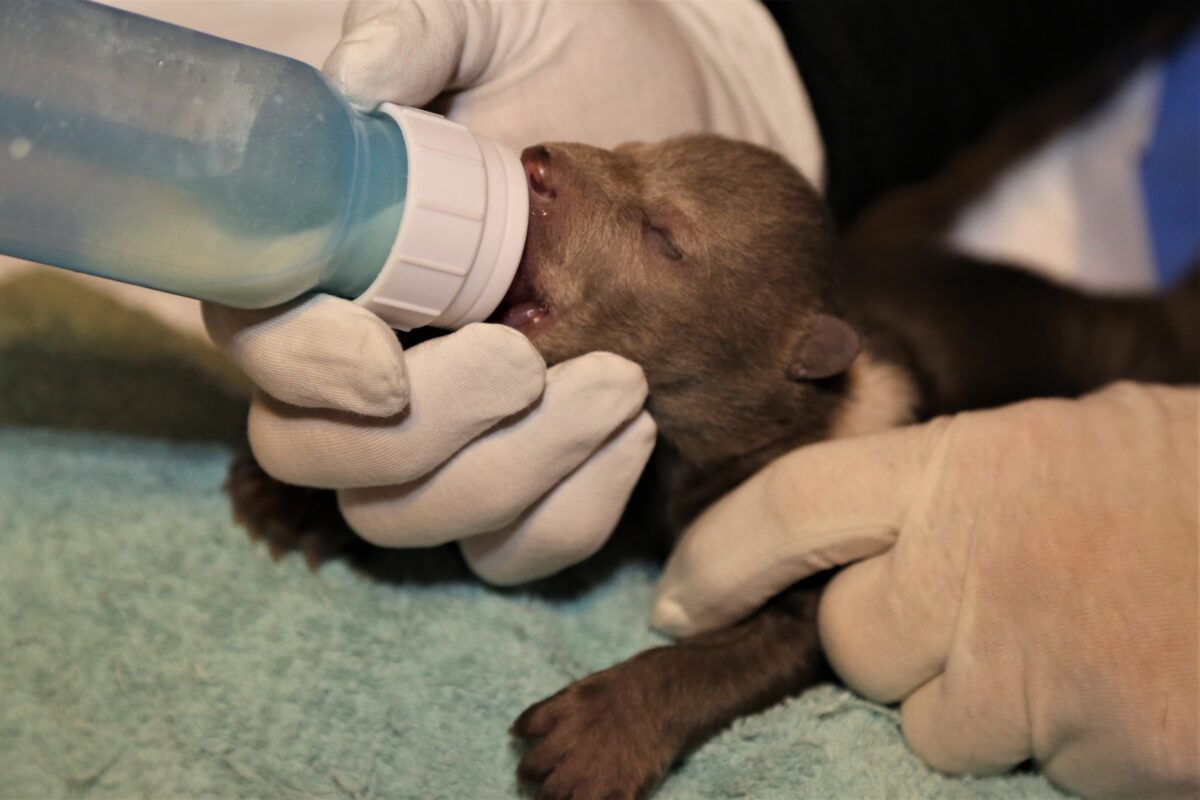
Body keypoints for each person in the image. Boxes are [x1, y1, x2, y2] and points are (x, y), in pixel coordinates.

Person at [202, 1, 1195, 794]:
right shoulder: (701, 384)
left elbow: (802, 623)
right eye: (628, 159)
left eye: (662, 235)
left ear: (791, 357)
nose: (557, 164)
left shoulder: (853, 439)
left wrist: (645, 706)